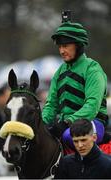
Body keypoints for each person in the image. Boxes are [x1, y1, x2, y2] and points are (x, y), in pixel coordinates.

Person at [42, 10, 108, 145]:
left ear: (78, 45)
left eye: (65, 46)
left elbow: (92, 106)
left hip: (93, 122)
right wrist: (41, 123)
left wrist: (68, 122)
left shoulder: (92, 69)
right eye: (60, 47)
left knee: (68, 136)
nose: (61, 51)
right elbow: (51, 105)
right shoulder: (59, 72)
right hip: (66, 124)